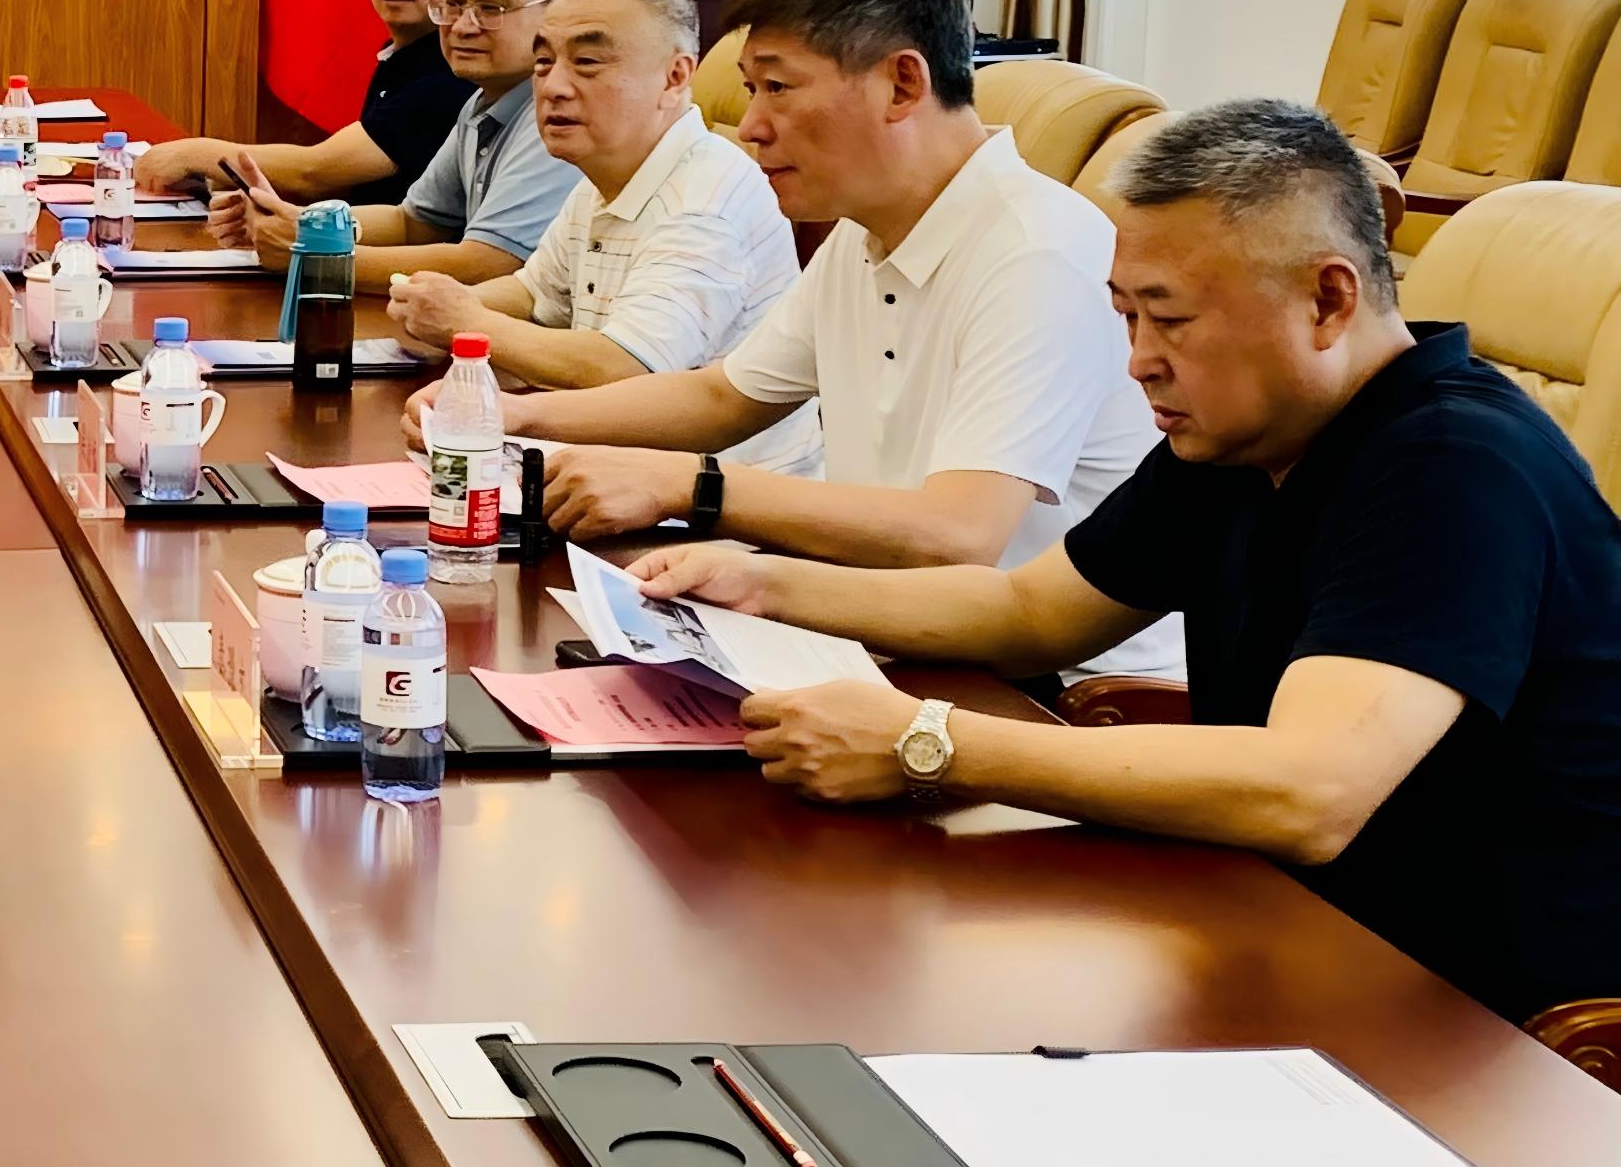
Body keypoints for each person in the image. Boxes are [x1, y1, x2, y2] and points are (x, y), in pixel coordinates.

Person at [638, 100, 1621, 1023]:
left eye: (1170, 318)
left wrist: (924, 741)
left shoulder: (1453, 463)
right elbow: (1033, 612)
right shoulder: (1246, 432)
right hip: (1279, 917)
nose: (1139, 358)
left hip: (1475, 1015)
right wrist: (767, 584)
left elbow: (1311, 790)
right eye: (1126, 316)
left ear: (1327, 299)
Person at [451, 0, 1183, 680]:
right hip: (887, 631)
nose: (753, 126)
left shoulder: (1037, 249)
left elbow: (958, 533)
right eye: (751, 90)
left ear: (903, 84)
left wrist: (694, 486)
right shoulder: (866, 232)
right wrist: (513, 417)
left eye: (778, 87)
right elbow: (724, 395)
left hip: (1047, 691)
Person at [381, 0, 819, 475]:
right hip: (616, 473)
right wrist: (437, 303)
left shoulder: (707, 200)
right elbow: (535, 294)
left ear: (675, 77)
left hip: (718, 503)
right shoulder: (604, 175)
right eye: (543, 62)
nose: (553, 86)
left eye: (587, 62)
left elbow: (626, 367)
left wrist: (469, 323)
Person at [216, 0, 591, 289]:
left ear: (560, 9)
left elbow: (490, 262)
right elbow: (412, 222)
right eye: (454, 2)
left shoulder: (559, 115)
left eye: (490, 8)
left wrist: (312, 254)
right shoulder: (482, 102)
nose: (462, 26)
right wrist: (301, 224)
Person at [135, 0, 470, 203]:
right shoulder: (404, 55)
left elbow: (316, 172)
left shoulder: (453, 70)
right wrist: (214, 179)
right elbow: (348, 186)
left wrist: (192, 155)